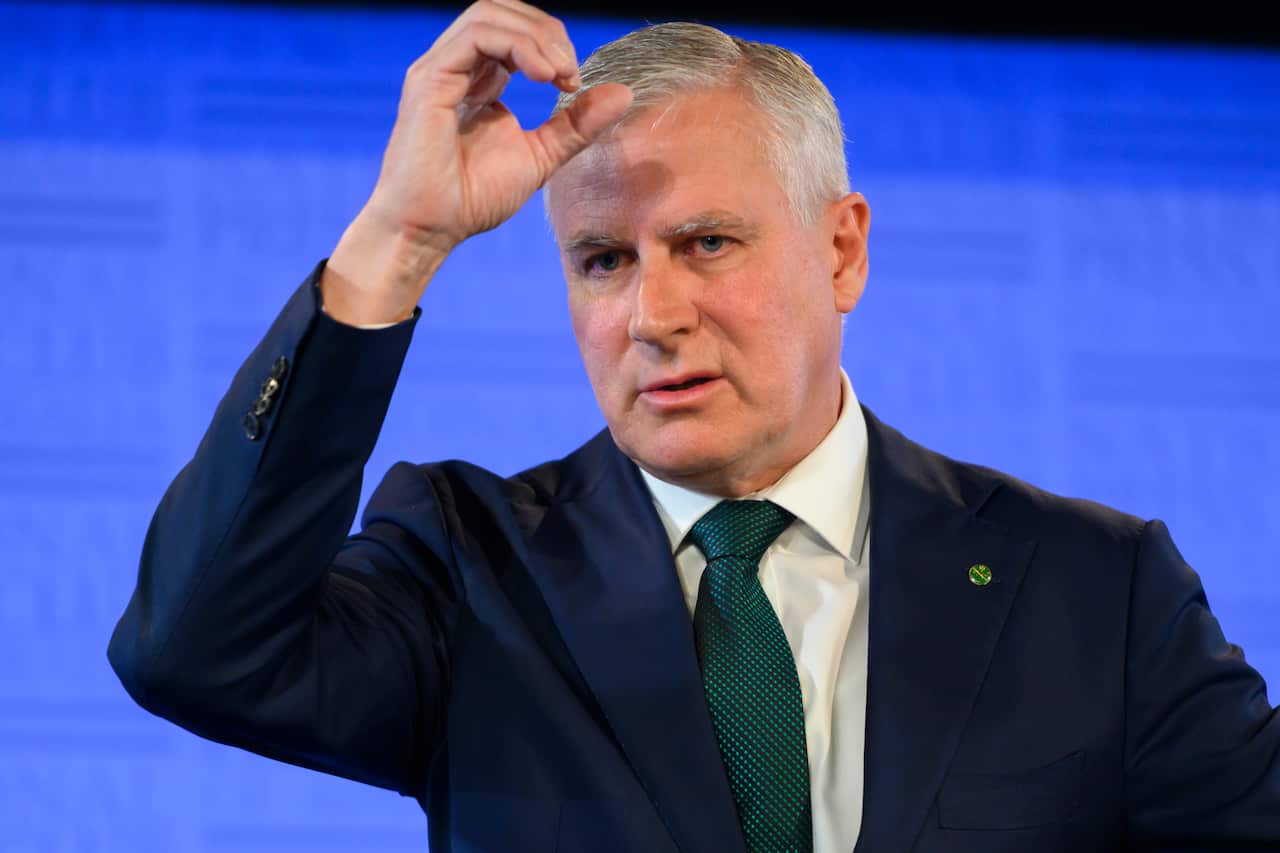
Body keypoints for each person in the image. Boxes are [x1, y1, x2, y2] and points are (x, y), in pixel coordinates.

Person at [107, 2, 1280, 851]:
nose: (650, 315)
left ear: (840, 251)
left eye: (705, 244)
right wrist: (398, 243)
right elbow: (194, 653)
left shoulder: (1094, 589)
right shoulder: (466, 566)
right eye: (601, 260)